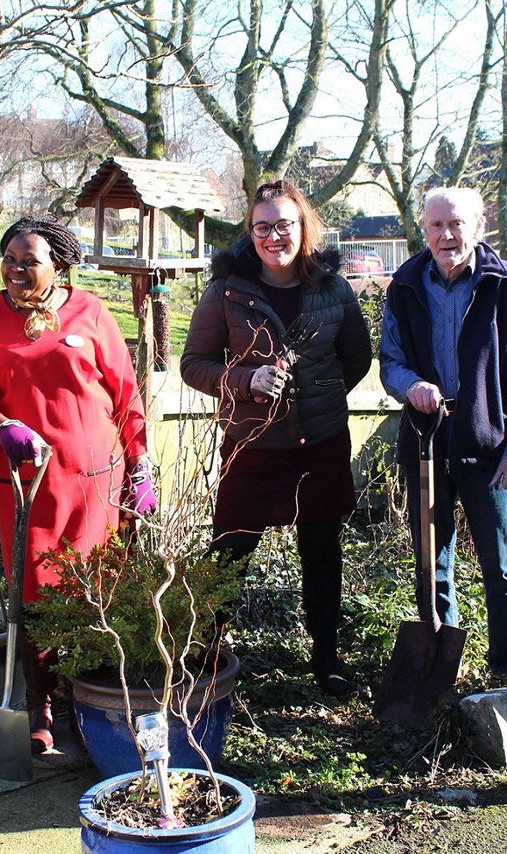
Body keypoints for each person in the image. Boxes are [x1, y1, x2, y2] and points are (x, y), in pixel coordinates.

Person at [0, 214, 154, 753]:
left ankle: (91, 697)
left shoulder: (90, 311)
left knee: (98, 589)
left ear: (60, 265)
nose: (17, 269)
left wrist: (141, 468)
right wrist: (1, 427)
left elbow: (125, 395)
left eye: (31, 260)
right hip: (25, 484)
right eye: (10, 259)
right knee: (34, 591)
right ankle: (40, 703)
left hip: (96, 482)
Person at [180, 179, 372, 698]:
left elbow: (356, 359)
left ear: (302, 227)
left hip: (319, 447)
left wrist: (318, 398)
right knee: (228, 553)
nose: (273, 236)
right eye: (262, 227)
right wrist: (245, 382)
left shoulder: (333, 289)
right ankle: (208, 653)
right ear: (251, 231)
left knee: (321, 550)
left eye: (283, 225)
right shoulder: (226, 292)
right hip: (252, 446)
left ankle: (326, 657)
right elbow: (193, 364)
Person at [379, 186, 507, 676]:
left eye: (456, 224)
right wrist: (412, 387)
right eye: (436, 225)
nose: (446, 234)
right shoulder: (405, 284)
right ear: (424, 229)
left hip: (490, 450)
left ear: (478, 226)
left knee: (502, 569)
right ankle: (437, 672)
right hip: (426, 447)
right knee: (432, 567)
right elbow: (390, 362)